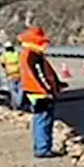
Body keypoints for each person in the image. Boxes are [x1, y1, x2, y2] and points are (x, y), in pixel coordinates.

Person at [18, 26, 63, 158]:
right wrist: (48, 90)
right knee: (44, 119)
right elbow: (39, 75)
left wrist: (57, 83)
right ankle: (43, 148)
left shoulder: (29, 54)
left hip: (34, 91)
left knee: (41, 119)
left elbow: (45, 72)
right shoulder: (32, 56)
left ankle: (42, 147)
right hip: (39, 93)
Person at [0, 41, 23, 110]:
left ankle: (16, 104)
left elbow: (2, 64)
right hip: (19, 74)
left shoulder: (4, 55)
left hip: (10, 75)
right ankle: (19, 103)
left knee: (13, 91)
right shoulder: (17, 54)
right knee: (20, 90)